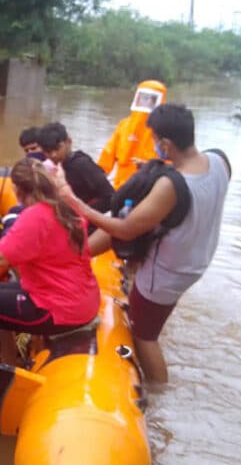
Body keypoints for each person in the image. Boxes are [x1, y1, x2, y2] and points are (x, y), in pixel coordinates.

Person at [58, 104, 230, 383]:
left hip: (167, 272)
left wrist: (77, 204)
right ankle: (77, 258)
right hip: (198, 256)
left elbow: (126, 230)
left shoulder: (172, 186)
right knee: (123, 215)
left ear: (165, 143)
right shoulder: (219, 161)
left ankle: (160, 394)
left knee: (144, 335)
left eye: (155, 140)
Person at [0, 158, 100, 363]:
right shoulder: (65, 206)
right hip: (78, 297)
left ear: (16, 189)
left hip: (57, 308)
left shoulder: (35, 217)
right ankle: (8, 361)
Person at [97, 80, 167, 188]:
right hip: (120, 188)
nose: (147, 103)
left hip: (148, 189)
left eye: (151, 100)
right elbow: (106, 159)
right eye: (144, 98)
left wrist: (149, 167)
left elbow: (172, 167)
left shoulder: (164, 131)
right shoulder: (124, 125)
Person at [38, 122, 114, 215]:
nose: (54, 155)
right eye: (48, 151)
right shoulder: (57, 167)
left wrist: (81, 213)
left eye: (57, 149)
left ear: (68, 142)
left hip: (86, 219)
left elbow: (110, 197)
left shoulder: (83, 165)